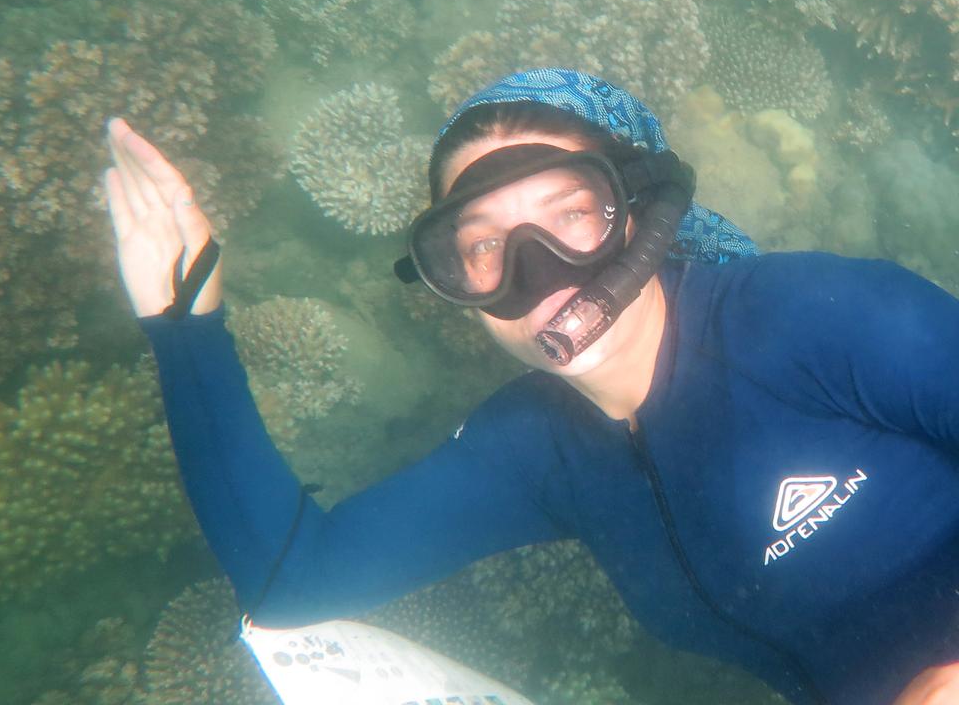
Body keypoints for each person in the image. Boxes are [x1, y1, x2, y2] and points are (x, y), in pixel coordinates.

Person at [104, 69, 959, 705]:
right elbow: (293, 580)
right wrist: (184, 328)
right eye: (480, 246)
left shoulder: (817, 317)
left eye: (571, 212)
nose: (539, 275)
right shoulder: (534, 452)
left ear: (642, 211)